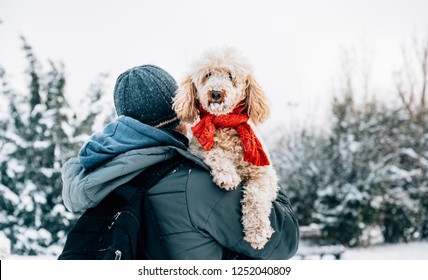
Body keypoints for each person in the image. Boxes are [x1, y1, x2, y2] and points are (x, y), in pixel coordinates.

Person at [61, 64, 299, 259]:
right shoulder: (198, 184)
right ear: (182, 115)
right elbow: (285, 240)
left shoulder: (100, 179)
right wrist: (255, 158)